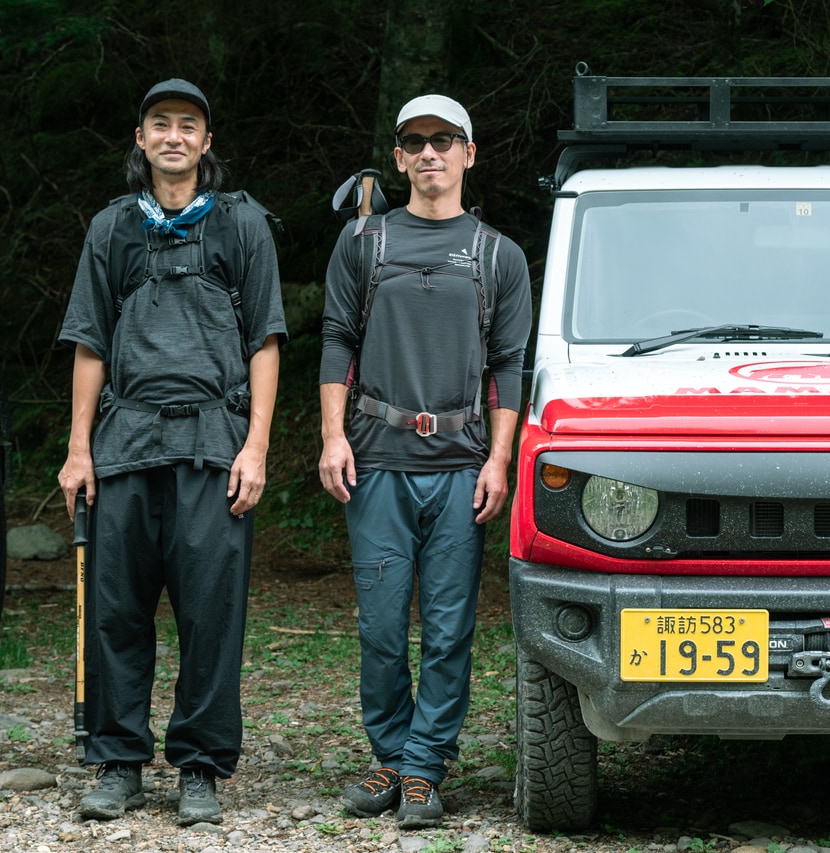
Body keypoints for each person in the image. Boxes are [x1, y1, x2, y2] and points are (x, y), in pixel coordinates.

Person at [57, 78, 286, 826]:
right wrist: (77, 451)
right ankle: (117, 762)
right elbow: (90, 342)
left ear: (207, 141)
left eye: (189, 125)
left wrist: (256, 446)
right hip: (124, 446)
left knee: (210, 616)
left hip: (214, 446)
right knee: (116, 612)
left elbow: (265, 342)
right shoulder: (113, 229)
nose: (175, 136)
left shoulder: (242, 226)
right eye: (162, 124)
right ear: (141, 137)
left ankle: (199, 768)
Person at [318, 94, 532, 828]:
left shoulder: (499, 254)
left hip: (459, 466)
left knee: (448, 628)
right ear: (402, 155)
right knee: (381, 625)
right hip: (376, 460)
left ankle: (424, 766)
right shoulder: (364, 243)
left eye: (446, 140)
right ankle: (390, 752)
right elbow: (337, 341)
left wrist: (499, 459)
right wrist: (332, 435)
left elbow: (509, 366)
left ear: (470, 154)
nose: (431, 152)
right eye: (416, 141)